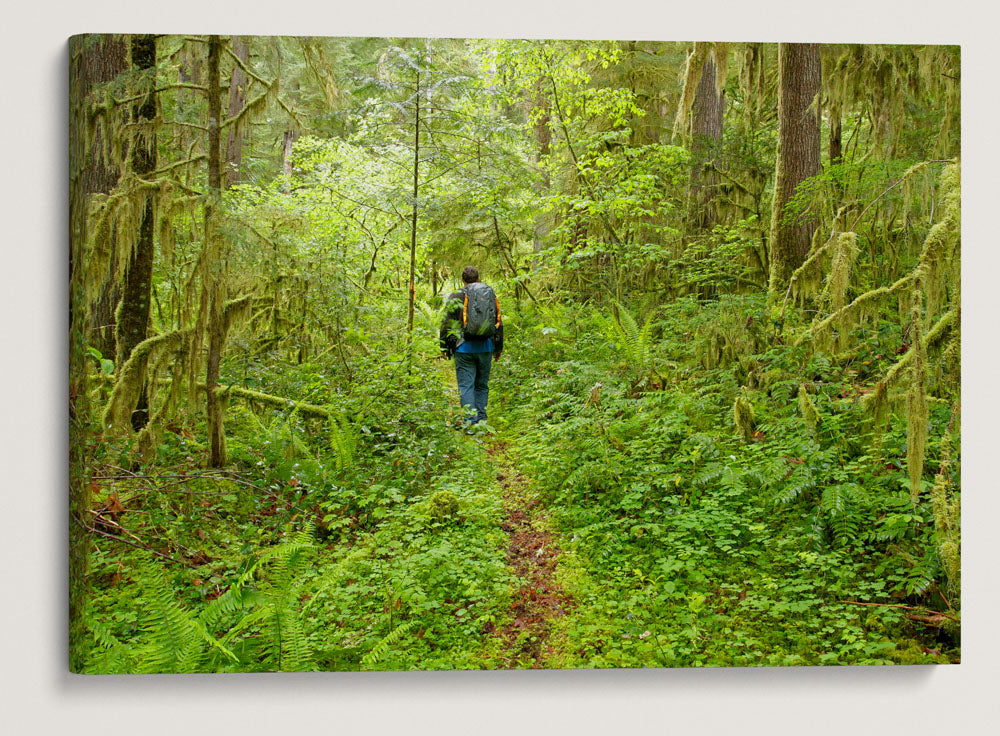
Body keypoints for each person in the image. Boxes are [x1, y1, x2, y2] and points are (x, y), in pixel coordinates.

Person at [439, 266, 503, 425]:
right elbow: (498, 322)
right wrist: (498, 347)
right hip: (486, 347)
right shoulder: (489, 294)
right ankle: (481, 421)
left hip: (463, 348)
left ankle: (470, 423)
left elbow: (446, 323)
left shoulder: (456, 295)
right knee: (481, 385)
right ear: (478, 278)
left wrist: (444, 347)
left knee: (466, 386)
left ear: (462, 279)